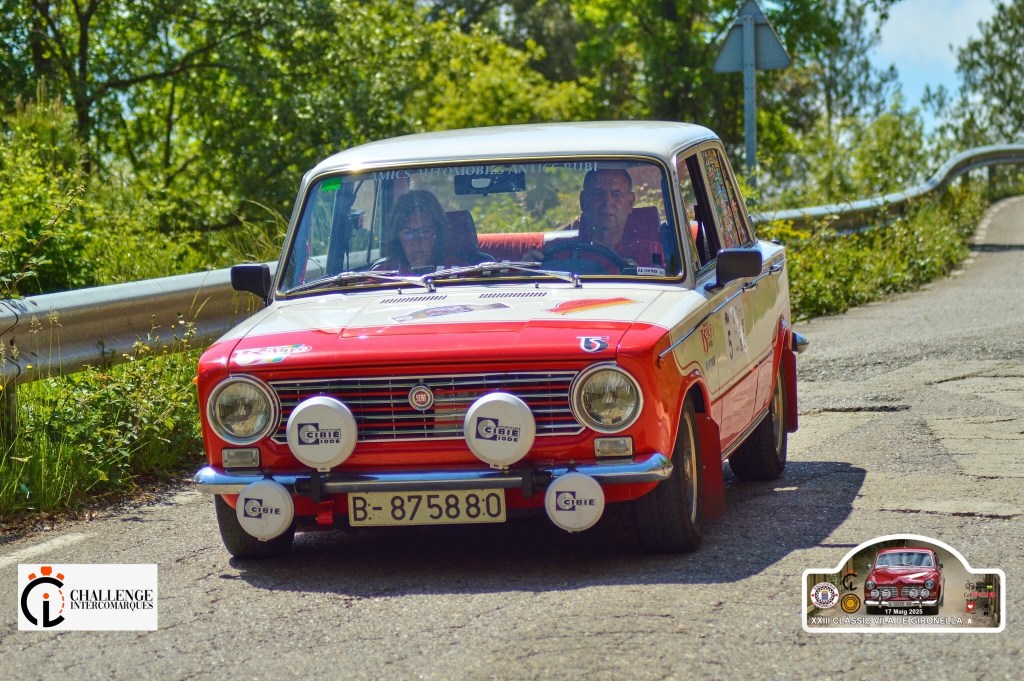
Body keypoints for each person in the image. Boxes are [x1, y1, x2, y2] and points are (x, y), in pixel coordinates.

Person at [528, 168, 664, 272]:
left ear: (630, 202)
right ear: (583, 201)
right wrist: (526, 270)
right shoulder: (557, 251)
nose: (607, 202)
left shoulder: (650, 252)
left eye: (616, 194)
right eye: (598, 194)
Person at [376, 190, 452, 272]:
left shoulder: (456, 271)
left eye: (425, 231)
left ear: (439, 233)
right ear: (397, 239)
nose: (417, 242)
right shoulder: (383, 274)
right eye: (407, 233)